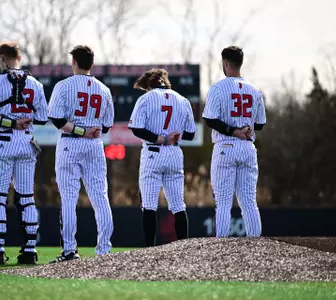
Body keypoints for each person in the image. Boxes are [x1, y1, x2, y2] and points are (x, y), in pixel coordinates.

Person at [0, 41, 48, 264]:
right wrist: (24, 120)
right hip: (27, 143)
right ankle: (29, 251)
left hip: (2, 142)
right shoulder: (36, 84)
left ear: (2, 58)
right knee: (26, 198)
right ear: (19, 57)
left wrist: (10, 122)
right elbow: (43, 117)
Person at [48, 45, 114, 262]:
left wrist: (80, 130)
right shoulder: (103, 89)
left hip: (70, 143)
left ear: (74, 62)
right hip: (95, 145)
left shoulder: (64, 86)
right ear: (91, 64)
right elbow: (106, 126)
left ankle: (69, 250)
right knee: (100, 196)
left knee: (69, 198)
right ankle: (104, 250)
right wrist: (90, 131)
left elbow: (57, 119)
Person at [202, 46, 266, 238]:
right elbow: (261, 124)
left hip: (226, 146)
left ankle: (220, 247)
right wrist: (244, 129)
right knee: (249, 202)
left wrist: (233, 131)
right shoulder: (254, 91)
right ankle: (257, 247)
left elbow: (209, 119)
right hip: (247, 147)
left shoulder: (218, 88)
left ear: (226, 63)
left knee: (222, 202)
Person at [128, 68, 196, 247]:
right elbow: (190, 134)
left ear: (149, 85)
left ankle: (149, 250)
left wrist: (162, 138)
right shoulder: (183, 100)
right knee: (178, 206)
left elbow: (136, 128)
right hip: (174, 153)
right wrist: (173, 136)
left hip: (153, 152)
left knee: (149, 205)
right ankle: (183, 249)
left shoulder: (145, 99)